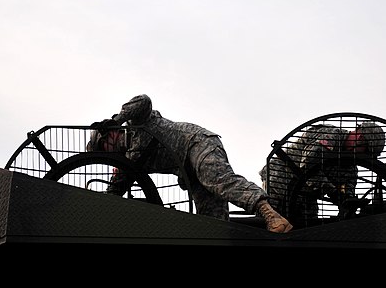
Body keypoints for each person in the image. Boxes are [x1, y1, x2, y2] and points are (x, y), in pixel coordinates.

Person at [91, 94, 293, 233]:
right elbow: (113, 193)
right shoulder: (129, 161)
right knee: (212, 221)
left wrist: (116, 119)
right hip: (189, 172)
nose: (106, 154)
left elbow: (143, 101)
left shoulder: (137, 123)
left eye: (103, 147)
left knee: (219, 181)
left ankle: (271, 216)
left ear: (110, 135)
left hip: (197, 143)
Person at [260, 120, 385, 226]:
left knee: (307, 228)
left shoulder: (351, 168)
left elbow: (346, 192)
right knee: (273, 222)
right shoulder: (331, 137)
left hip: (305, 191)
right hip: (281, 177)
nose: (364, 157)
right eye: (366, 152)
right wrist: (335, 193)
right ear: (359, 138)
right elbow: (308, 166)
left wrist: (348, 202)